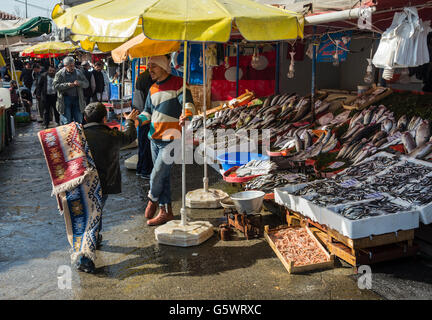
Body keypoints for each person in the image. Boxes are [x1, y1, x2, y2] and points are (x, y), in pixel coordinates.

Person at [79, 103, 138, 272]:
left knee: (92, 216)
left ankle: (94, 240)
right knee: (92, 219)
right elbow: (129, 137)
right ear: (104, 119)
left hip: (79, 185)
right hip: (102, 184)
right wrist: (130, 121)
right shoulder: (111, 135)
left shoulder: (77, 134)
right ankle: (85, 260)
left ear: (85, 118)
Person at [137, 55, 195, 226]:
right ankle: (165, 211)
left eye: (153, 66)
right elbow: (147, 112)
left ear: (163, 66)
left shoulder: (178, 83)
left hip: (172, 138)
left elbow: (188, 104)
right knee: (163, 177)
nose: (150, 70)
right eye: (149, 66)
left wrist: (188, 114)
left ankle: (152, 199)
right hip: (154, 138)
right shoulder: (152, 88)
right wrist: (136, 120)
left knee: (156, 175)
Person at [53, 56, 89, 124]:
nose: (72, 67)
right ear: (65, 66)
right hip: (65, 100)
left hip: (77, 99)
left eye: (73, 65)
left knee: (79, 120)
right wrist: (67, 85)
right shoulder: (59, 74)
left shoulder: (79, 72)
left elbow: (86, 84)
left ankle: (78, 133)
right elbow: (55, 86)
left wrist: (80, 83)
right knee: (67, 121)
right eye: (70, 66)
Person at [134, 69, 155, 179]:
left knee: (143, 144)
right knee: (147, 145)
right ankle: (146, 170)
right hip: (147, 116)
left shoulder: (141, 77)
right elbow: (140, 102)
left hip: (143, 115)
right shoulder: (150, 78)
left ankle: (140, 168)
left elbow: (137, 101)